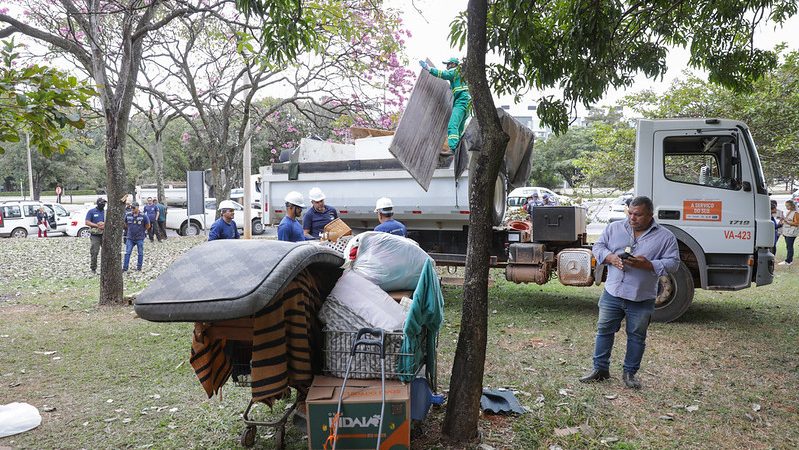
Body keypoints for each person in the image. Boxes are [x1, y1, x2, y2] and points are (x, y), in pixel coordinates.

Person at [580, 196, 680, 389]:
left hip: (641, 296)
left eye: (638, 215)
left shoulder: (665, 237)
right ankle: (600, 369)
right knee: (604, 331)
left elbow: (673, 264)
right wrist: (610, 257)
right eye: (630, 213)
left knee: (636, 335)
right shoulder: (614, 228)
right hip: (613, 292)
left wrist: (649, 264)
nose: (632, 218)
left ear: (651, 215)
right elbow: (598, 246)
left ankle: (630, 373)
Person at [419, 57, 471, 156]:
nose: (446, 66)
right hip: (467, 104)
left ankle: (453, 149)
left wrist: (428, 68)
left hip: (461, 101)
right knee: (459, 129)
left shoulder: (454, 71)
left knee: (452, 125)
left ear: (453, 64)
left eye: (448, 64)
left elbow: (443, 74)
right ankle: (458, 150)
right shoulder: (461, 75)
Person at [123, 202, 150, 272]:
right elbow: (125, 223)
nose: (132, 209)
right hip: (130, 237)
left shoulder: (143, 216)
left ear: (138, 207)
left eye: (134, 208)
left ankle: (139, 267)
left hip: (140, 238)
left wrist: (142, 230)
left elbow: (148, 225)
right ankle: (125, 268)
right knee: (127, 252)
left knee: (140, 253)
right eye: (131, 207)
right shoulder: (128, 215)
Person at [85, 198, 106, 274]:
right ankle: (93, 268)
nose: (103, 205)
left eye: (104, 203)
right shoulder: (91, 212)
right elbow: (87, 222)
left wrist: (104, 225)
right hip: (95, 235)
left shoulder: (106, 212)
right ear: (98, 203)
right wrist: (97, 225)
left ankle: (105, 268)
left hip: (105, 234)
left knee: (107, 252)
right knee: (94, 251)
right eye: (102, 203)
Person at [778, 200, 799, 266]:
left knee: (789, 246)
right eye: (785, 206)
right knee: (788, 246)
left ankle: (788, 261)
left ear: (792, 206)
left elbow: (797, 223)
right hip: (787, 232)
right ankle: (789, 260)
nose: (786, 207)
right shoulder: (789, 212)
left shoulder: (796, 213)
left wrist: (788, 222)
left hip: (791, 233)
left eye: (787, 206)